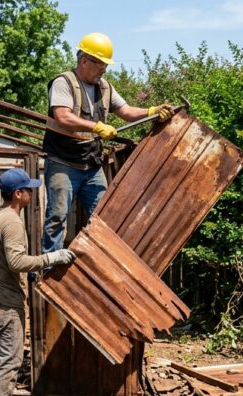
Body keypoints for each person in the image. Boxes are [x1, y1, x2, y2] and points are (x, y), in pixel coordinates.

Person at [41, 32, 175, 253]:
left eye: (105, 65)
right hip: (63, 162)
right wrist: (96, 126)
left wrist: (152, 111)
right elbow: (62, 116)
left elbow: (127, 111)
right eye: (100, 64)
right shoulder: (63, 83)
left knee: (104, 217)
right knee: (57, 219)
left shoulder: (104, 87)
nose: (104, 69)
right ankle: (47, 273)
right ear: (84, 61)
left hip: (91, 165)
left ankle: (97, 268)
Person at [0, 168, 76, 396]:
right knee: (8, 362)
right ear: (18, 194)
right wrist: (52, 258)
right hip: (5, 302)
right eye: (28, 189)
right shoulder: (13, 223)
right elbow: (16, 262)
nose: (31, 192)